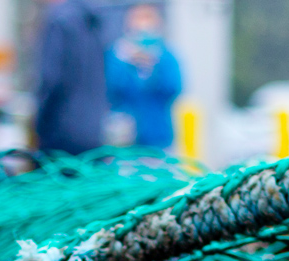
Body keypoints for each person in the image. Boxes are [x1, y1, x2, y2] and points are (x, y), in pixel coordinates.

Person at [33, 0, 108, 154]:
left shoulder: (59, 19)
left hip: (60, 131)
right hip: (93, 131)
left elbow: (50, 78)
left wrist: (39, 124)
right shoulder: (94, 18)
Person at [105, 4, 182, 149]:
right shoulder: (116, 54)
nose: (142, 24)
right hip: (123, 138)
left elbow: (173, 88)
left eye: (147, 17)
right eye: (137, 18)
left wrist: (153, 68)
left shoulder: (166, 55)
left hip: (158, 137)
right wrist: (128, 64)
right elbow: (110, 89)